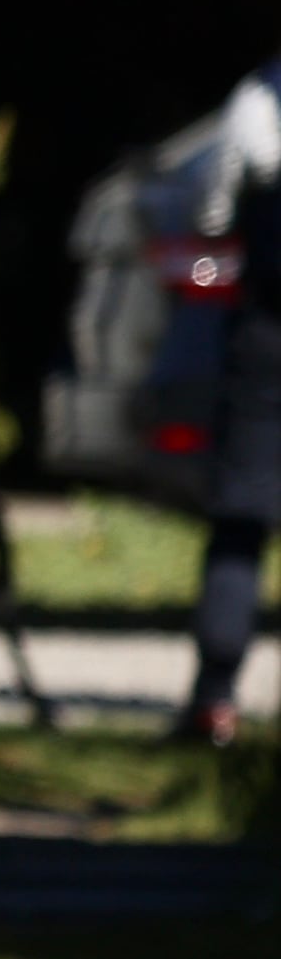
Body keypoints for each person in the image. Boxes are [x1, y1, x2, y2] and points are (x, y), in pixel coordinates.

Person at [179, 47, 281, 745]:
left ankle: (217, 699)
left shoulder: (262, 98)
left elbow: (212, 215)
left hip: (268, 330)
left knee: (242, 513)